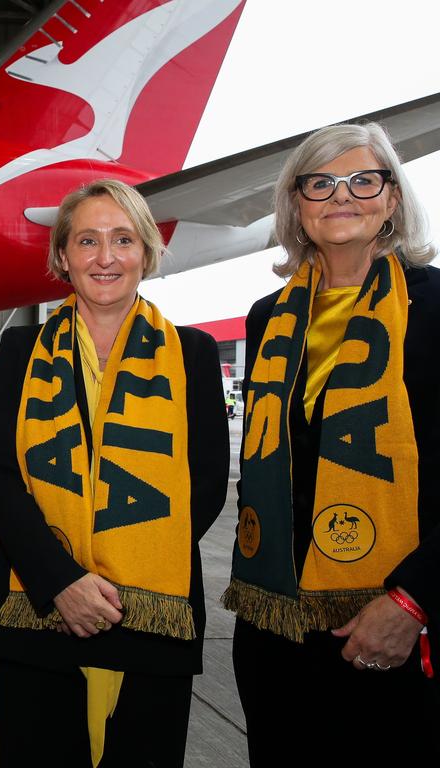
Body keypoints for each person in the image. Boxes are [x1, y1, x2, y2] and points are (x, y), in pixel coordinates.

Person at [0, 180, 228, 767]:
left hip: (151, 617)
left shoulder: (191, 353)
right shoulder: (21, 349)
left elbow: (208, 483)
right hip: (41, 610)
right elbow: (0, 475)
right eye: (86, 241)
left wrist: (128, 566)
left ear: (147, 252)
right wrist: (61, 580)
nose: (105, 257)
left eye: (122, 239)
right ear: (62, 256)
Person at [224, 122, 440, 767]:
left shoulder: (433, 309)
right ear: (296, 204)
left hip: (390, 615)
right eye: (319, 182)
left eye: (362, 179)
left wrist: (413, 600)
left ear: (392, 199)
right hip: (275, 619)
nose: (340, 195)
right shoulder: (271, 315)